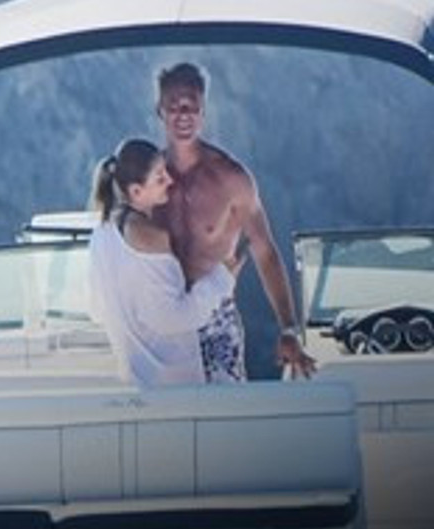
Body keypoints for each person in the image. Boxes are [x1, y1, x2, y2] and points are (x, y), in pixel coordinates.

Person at [153, 62, 316, 381]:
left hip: (216, 321)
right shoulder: (149, 182)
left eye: (191, 106)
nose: (183, 115)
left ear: (203, 112)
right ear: (159, 110)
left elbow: (265, 252)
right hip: (163, 319)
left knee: (223, 408)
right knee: (165, 410)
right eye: (174, 106)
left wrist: (288, 328)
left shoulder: (231, 178)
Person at [89, 139, 237, 387]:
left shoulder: (100, 234)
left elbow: (97, 310)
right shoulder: (152, 239)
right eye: (160, 178)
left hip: (132, 381)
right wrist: (222, 277)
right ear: (136, 192)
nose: (170, 180)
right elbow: (172, 319)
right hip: (172, 387)